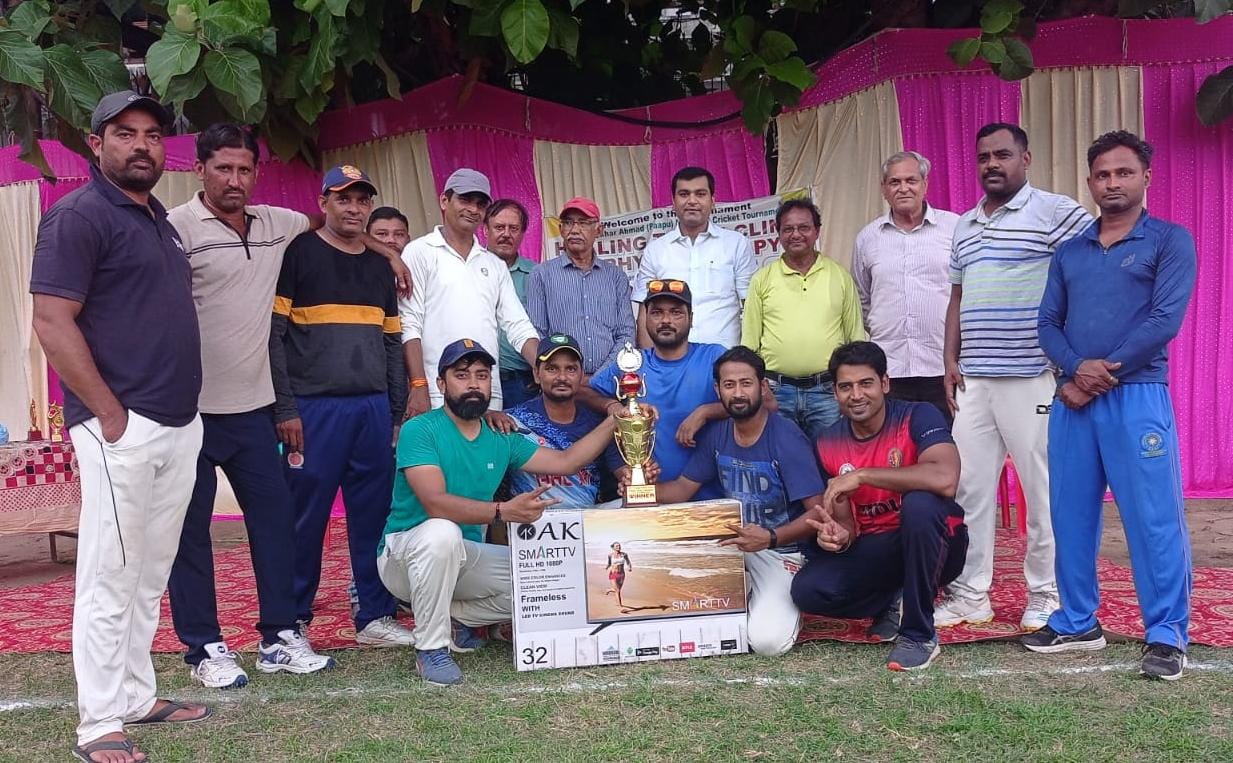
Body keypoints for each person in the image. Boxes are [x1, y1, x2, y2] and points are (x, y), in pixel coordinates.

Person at [30, 90, 209, 763]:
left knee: (149, 571)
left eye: (153, 134)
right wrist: (109, 413)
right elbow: (52, 321)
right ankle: (99, 722)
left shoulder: (157, 218)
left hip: (177, 422)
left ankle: (136, 694)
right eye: (125, 133)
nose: (141, 145)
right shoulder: (78, 215)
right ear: (95, 142)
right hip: (121, 429)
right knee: (110, 575)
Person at [166, 124, 345, 690]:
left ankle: (279, 636)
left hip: (254, 410)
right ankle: (204, 647)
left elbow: (328, 224)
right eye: (223, 168)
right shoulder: (174, 227)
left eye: (244, 169)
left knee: (274, 526)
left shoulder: (276, 224)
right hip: (189, 412)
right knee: (189, 533)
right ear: (199, 169)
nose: (234, 180)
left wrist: (387, 253)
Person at [1025, 131, 1197, 681]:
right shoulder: (1071, 251)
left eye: (1124, 172)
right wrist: (1076, 369)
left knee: (1152, 518)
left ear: (1146, 177)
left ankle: (1166, 633)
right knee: (1070, 514)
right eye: (1102, 174)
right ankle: (1078, 621)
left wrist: (1097, 375)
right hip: (1073, 399)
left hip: (1136, 396)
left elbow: (1163, 321)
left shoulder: (1169, 240)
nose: (1112, 183)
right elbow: (1047, 323)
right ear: (1090, 182)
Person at [377, 339, 619, 685]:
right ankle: (431, 648)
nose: (473, 384)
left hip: (464, 555)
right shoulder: (421, 429)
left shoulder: (500, 435)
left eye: (481, 375)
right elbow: (435, 503)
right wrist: (503, 511)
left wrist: (615, 419)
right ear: (441, 384)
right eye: (462, 375)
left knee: (555, 575)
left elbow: (567, 462)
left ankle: (453, 617)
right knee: (441, 532)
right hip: (406, 556)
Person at [937, 123, 1092, 631]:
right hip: (975, 381)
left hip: (1032, 376)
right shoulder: (965, 225)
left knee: (1041, 491)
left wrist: (1070, 356)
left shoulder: (1055, 212)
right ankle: (970, 594)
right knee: (969, 490)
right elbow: (957, 297)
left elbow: (1090, 272)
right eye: (984, 157)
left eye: (1002, 155)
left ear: (1025, 158)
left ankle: (1046, 594)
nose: (992, 164)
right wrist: (950, 359)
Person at [269, 165, 415, 650]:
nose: (354, 208)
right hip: (313, 410)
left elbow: (391, 343)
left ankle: (374, 615)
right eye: (343, 199)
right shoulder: (299, 253)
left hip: (372, 410)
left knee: (374, 516)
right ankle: (292, 620)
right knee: (304, 517)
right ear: (324, 203)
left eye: (362, 200)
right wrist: (285, 408)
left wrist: (395, 411)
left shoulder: (378, 267)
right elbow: (274, 337)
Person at [791, 342, 968, 671]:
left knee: (920, 504)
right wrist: (838, 536)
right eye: (846, 387)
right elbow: (847, 525)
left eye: (866, 383)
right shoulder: (827, 442)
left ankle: (918, 635)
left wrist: (862, 475)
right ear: (835, 393)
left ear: (885, 383)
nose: (856, 395)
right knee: (808, 590)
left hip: (937, 540)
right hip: (880, 548)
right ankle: (894, 599)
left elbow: (945, 478)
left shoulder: (917, 415)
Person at [651, 346, 826, 656]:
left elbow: (818, 513)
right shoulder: (719, 433)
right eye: (729, 385)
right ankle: (744, 592)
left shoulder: (786, 438)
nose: (738, 393)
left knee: (767, 643)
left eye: (746, 383)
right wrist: (638, 488)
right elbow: (680, 490)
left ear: (763, 386)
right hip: (731, 544)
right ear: (718, 389)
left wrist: (771, 537)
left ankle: (781, 605)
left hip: (779, 551)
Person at [400, 169, 540, 412]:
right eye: (465, 200)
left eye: (480, 204)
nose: (473, 209)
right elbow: (409, 322)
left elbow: (518, 325)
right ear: (444, 201)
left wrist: (543, 367)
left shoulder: (493, 265)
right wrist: (418, 384)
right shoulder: (420, 252)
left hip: (487, 394)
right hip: (436, 391)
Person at [580, 279, 726, 497]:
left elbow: (759, 401)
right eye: (657, 313)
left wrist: (706, 412)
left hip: (713, 499)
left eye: (676, 313)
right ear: (645, 318)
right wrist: (613, 407)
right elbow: (584, 392)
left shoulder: (714, 357)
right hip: (649, 495)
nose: (666, 320)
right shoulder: (632, 362)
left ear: (691, 318)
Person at [742, 199, 865, 440]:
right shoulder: (762, 279)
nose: (796, 234)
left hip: (827, 392)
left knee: (829, 455)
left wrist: (849, 388)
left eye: (804, 227)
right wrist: (760, 389)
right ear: (778, 233)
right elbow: (749, 344)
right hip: (777, 392)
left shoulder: (839, 276)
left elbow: (856, 340)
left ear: (817, 231)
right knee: (782, 456)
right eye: (788, 229)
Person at [851, 151, 960, 422]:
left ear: (925, 184)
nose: (903, 188)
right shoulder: (867, 238)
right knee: (895, 444)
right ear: (884, 189)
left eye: (911, 180)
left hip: (943, 366)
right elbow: (864, 298)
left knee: (947, 442)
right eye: (894, 182)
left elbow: (967, 291)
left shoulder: (954, 228)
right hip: (890, 369)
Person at [633, 166, 757, 348]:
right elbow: (645, 310)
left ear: (712, 201)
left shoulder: (736, 244)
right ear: (673, 202)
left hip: (725, 356)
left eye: (700, 194)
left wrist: (746, 358)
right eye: (684, 194)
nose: (692, 201)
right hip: (671, 357)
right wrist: (649, 360)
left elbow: (751, 306)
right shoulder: (656, 250)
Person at [503, 333, 625, 507]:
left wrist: (634, 479)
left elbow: (623, 472)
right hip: (530, 519)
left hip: (587, 518)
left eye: (571, 369)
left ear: (581, 375)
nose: (562, 377)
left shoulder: (599, 424)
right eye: (552, 369)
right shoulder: (511, 421)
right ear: (536, 374)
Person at [526, 197, 635, 377]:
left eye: (583, 223)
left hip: (610, 381)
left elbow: (626, 334)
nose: (575, 230)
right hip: (562, 382)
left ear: (598, 230)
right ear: (561, 229)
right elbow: (537, 334)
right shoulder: (542, 274)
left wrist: (600, 377)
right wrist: (565, 374)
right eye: (568, 222)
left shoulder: (616, 277)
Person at [484, 199, 539, 408]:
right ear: (485, 230)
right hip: (476, 380)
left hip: (522, 383)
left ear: (523, 233)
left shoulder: (536, 275)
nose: (506, 234)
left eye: (513, 228)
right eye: (499, 227)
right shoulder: (467, 270)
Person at [606, 542, 633, 608]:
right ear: (613, 548)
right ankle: (620, 606)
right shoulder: (610, 555)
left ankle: (609, 590)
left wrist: (629, 567)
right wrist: (606, 567)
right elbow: (609, 563)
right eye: (617, 546)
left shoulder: (624, 554)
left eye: (619, 546)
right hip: (613, 574)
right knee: (617, 591)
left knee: (618, 589)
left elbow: (628, 562)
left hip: (621, 574)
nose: (619, 547)